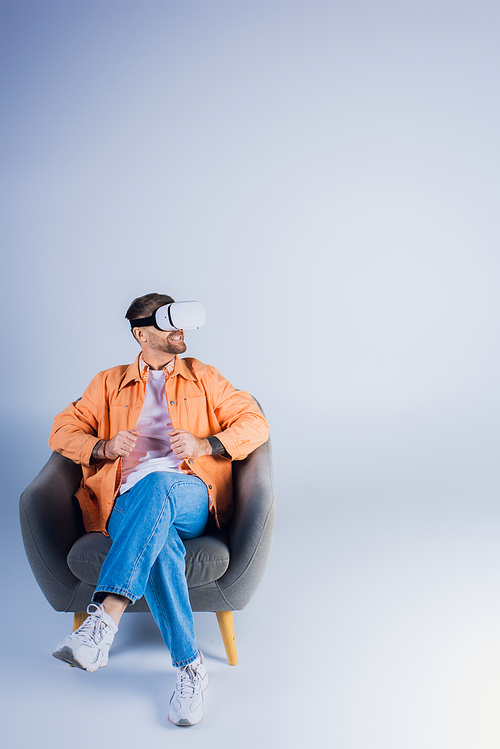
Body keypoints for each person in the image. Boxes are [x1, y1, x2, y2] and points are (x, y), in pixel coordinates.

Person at [49, 292, 269, 726]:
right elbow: (62, 430)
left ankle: (103, 621)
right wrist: (102, 446)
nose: (179, 333)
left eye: (181, 325)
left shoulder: (203, 378)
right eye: (169, 326)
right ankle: (191, 668)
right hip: (126, 502)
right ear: (141, 334)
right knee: (160, 538)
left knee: (161, 485)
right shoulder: (108, 383)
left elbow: (255, 421)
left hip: (187, 494)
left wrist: (208, 444)